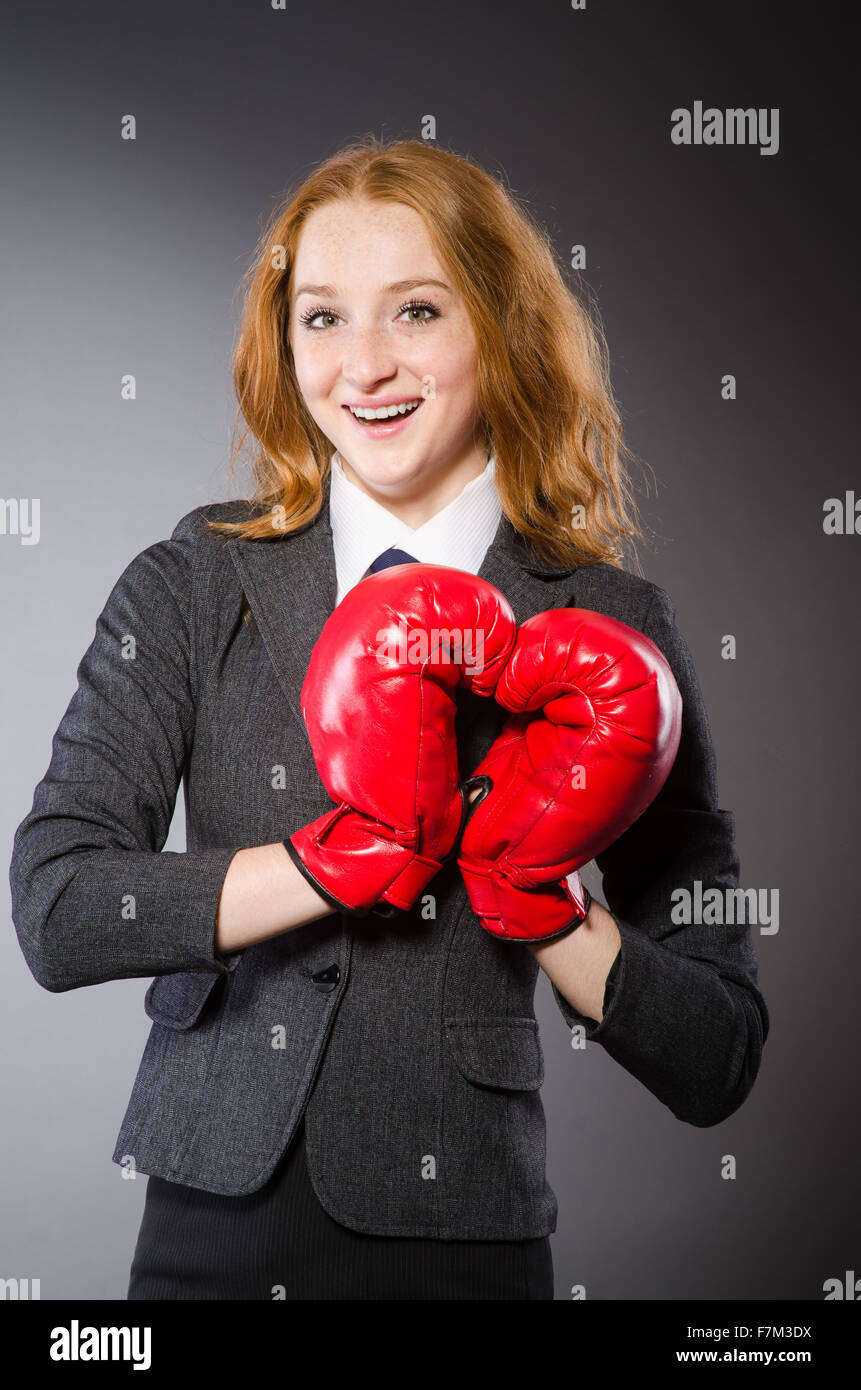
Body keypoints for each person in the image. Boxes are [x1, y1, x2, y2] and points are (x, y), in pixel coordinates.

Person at [9, 135, 769, 1301]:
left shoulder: (610, 622)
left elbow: (717, 1050)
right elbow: (58, 906)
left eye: (415, 310)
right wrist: (333, 863)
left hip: (462, 1234)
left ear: (499, 328)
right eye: (321, 318)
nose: (363, 365)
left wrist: (539, 904)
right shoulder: (195, 578)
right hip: (204, 1232)